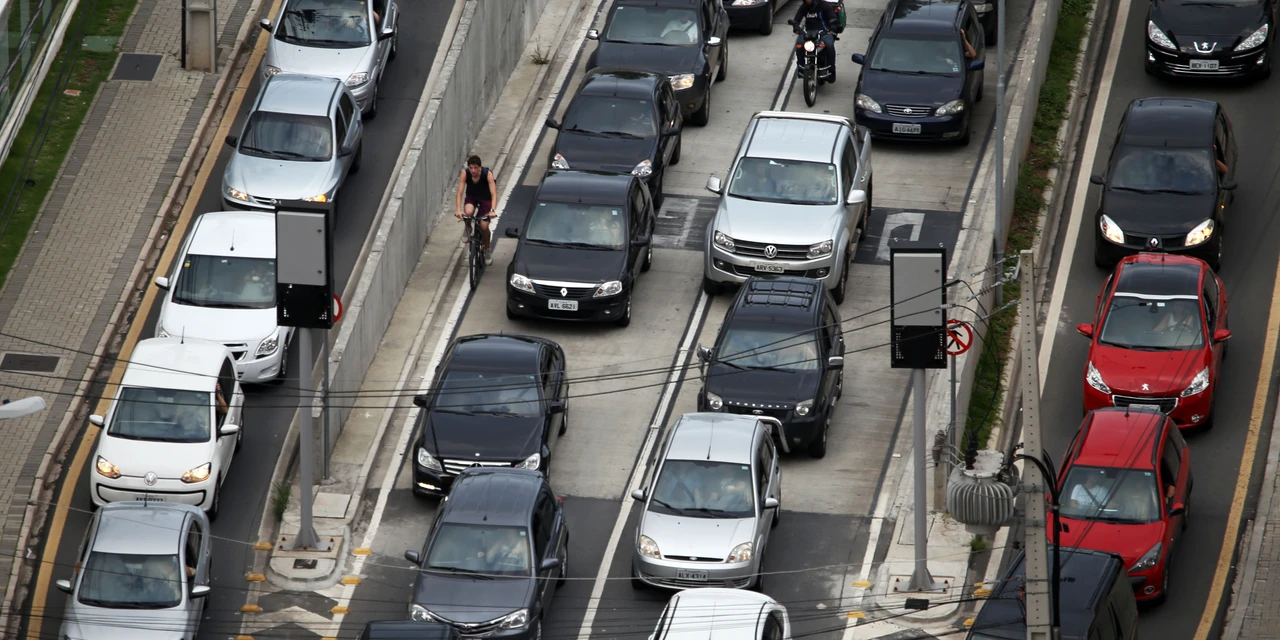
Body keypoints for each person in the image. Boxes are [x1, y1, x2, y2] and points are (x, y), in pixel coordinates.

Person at [455, 155, 499, 265]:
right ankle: (468, 228)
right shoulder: (465, 174)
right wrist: (458, 210)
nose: (473, 170)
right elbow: (459, 192)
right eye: (471, 168)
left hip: (486, 199)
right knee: (468, 213)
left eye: (475, 168)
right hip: (472, 197)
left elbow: (494, 193)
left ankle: (487, 250)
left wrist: (492, 210)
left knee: (484, 226)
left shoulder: (487, 174)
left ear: (480, 167)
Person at [793, 0, 840, 81]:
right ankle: (800, 68)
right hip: (808, 33)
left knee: (829, 45)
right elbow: (797, 19)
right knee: (799, 44)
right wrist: (796, 27)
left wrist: (832, 27)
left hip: (825, 32)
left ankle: (832, 70)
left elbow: (833, 18)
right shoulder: (804, 7)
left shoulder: (825, 5)